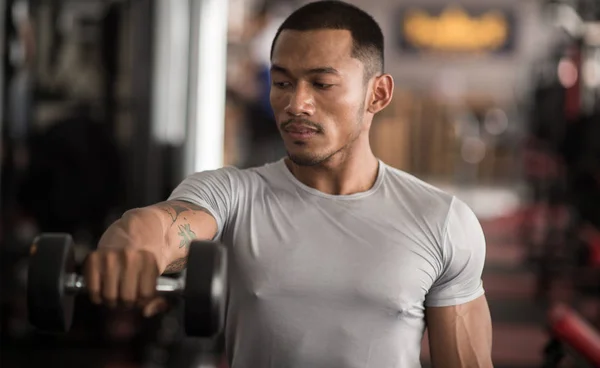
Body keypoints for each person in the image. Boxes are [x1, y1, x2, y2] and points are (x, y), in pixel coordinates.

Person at [84, 1, 493, 367]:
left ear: (378, 94)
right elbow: (160, 227)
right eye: (282, 83)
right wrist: (129, 250)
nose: (296, 104)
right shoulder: (234, 196)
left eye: (321, 84)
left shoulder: (441, 221)